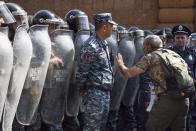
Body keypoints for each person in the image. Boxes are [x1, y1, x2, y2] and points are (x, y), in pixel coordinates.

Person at [116, 35, 189, 131]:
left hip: (167, 100)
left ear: (148, 46)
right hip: (184, 100)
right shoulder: (173, 54)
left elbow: (129, 73)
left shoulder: (150, 57)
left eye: (144, 46)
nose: (143, 49)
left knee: (152, 128)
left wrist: (121, 64)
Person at [76, 13, 117, 130]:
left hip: (105, 92)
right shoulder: (91, 45)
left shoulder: (105, 44)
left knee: (101, 126)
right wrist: (81, 88)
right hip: (94, 92)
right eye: (110, 26)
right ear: (104, 27)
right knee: (92, 127)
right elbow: (83, 70)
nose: (112, 28)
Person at [170, 25, 196, 131]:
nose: (180, 40)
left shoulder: (193, 54)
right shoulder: (168, 53)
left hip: (189, 92)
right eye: (178, 37)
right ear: (174, 39)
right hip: (172, 92)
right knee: (173, 119)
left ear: (187, 39)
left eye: (182, 37)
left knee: (189, 118)